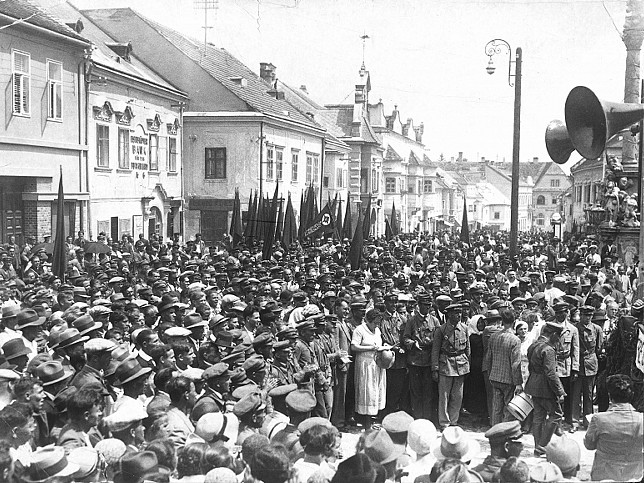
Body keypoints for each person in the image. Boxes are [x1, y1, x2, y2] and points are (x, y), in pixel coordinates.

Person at [584, 374, 643, 482]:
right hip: (635, 476)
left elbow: (589, 445)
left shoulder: (598, 419)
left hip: (604, 475)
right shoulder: (642, 419)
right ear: (632, 395)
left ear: (610, 396)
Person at [525, 321, 565, 456]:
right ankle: (542, 446)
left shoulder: (533, 345)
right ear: (553, 334)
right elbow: (551, 373)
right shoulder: (548, 350)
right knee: (556, 414)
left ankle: (538, 446)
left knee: (538, 416)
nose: (559, 339)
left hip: (533, 385)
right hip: (545, 388)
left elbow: (530, 367)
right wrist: (560, 391)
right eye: (558, 336)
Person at [431, 303, 470, 430]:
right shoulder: (441, 330)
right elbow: (435, 350)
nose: (459, 315)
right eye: (456, 313)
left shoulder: (464, 328)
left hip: (461, 364)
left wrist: (467, 364)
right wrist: (435, 368)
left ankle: (454, 421)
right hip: (446, 364)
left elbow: (467, 349)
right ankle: (444, 423)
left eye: (460, 312)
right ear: (449, 315)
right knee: (444, 396)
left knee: (457, 396)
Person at [484, 308, 522, 426]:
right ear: (514, 322)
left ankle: (495, 431)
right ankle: (505, 432)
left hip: (495, 377)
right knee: (507, 408)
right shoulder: (515, 340)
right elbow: (515, 363)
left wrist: (491, 373)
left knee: (496, 408)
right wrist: (518, 382)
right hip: (508, 379)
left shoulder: (494, 337)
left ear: (501, 321)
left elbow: (488, 358)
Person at [351, 308, 386, 428]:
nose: (377, 325)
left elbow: (378, 344)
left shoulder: (377, 330)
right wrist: (369, 348)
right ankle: (365, 422)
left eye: (378, 323)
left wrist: (384, 346)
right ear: (368, 320)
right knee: (367, 391)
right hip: (365, 364)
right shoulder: (359, 330)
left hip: (377, 363)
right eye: (375, 322)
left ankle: (372, 420)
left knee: (376, 391)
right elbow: (354, 347)